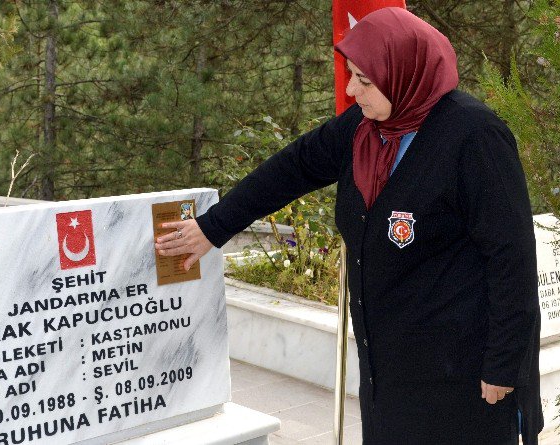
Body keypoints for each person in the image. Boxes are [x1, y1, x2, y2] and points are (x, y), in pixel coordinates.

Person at [155, 7, 543, 445]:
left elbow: (511, 258)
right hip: (387, 370)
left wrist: (503, 364)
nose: (350, 89)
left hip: (462, 375)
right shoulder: (362, 128)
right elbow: (292, 168)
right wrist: (213, 227)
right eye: (351, 74)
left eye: (364, 79)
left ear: (403, 73)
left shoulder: (474, 136)